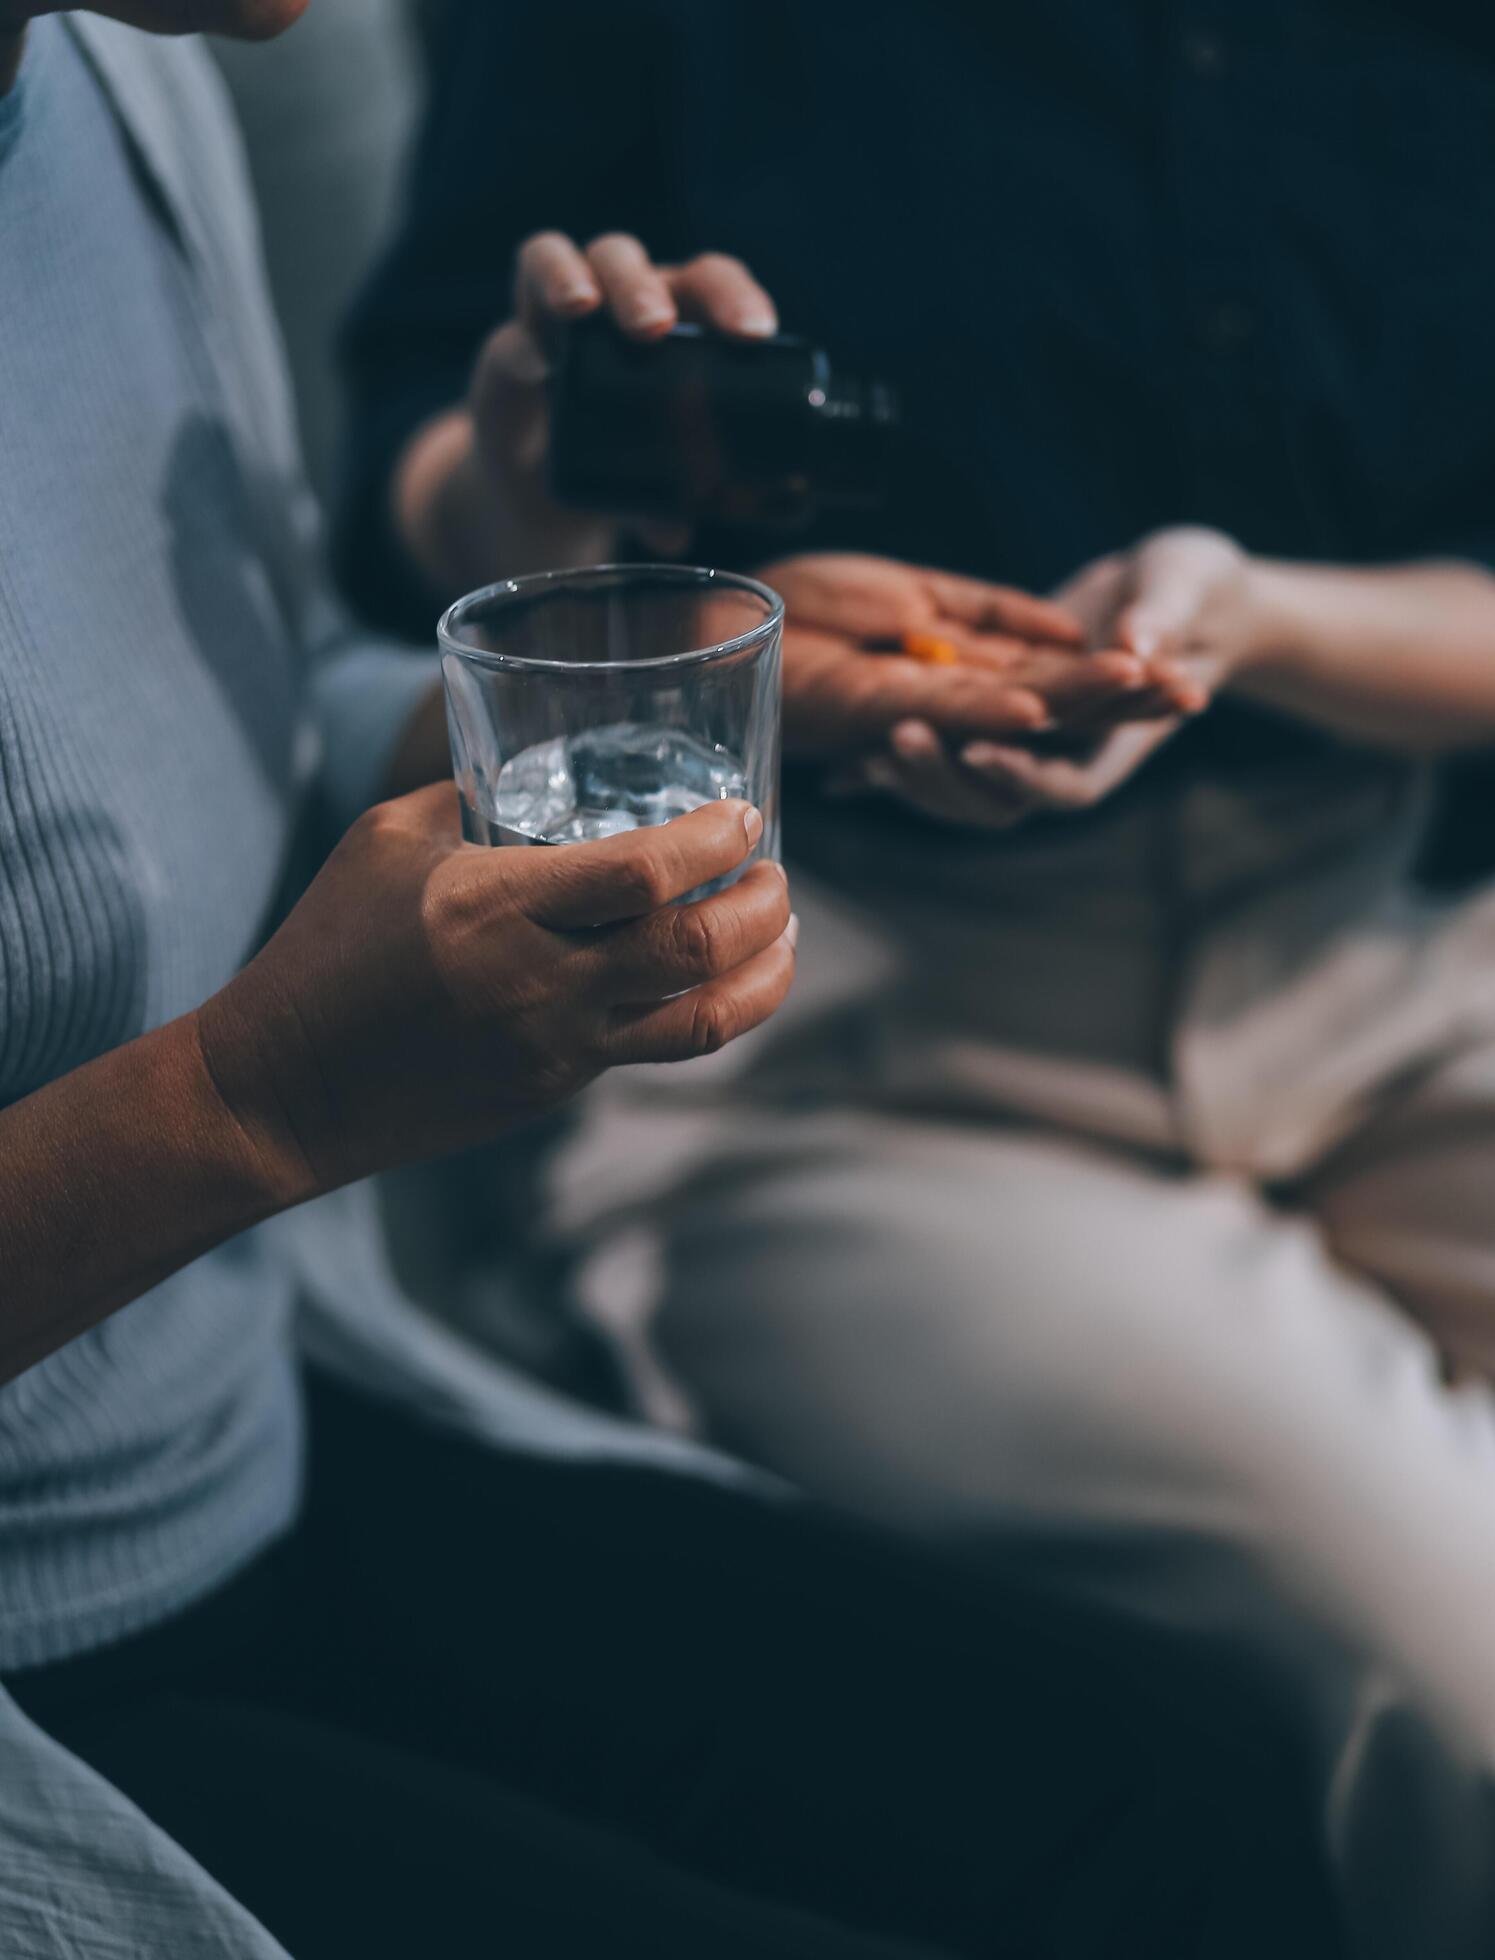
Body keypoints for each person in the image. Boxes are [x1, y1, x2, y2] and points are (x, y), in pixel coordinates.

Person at [0, 5, 1323, 1957]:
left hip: (234, 1440)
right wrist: (249, 1104)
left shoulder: (127, 83)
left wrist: (700, 678)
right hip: (61, 1638)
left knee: (1198, 1798)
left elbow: (230, 726)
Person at [338, 5, 1495, 1954]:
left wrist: (1254, 615)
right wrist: (536, 456)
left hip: (1402, 932)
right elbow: (424, 517)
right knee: (1448, 1673)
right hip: (840, 1008)